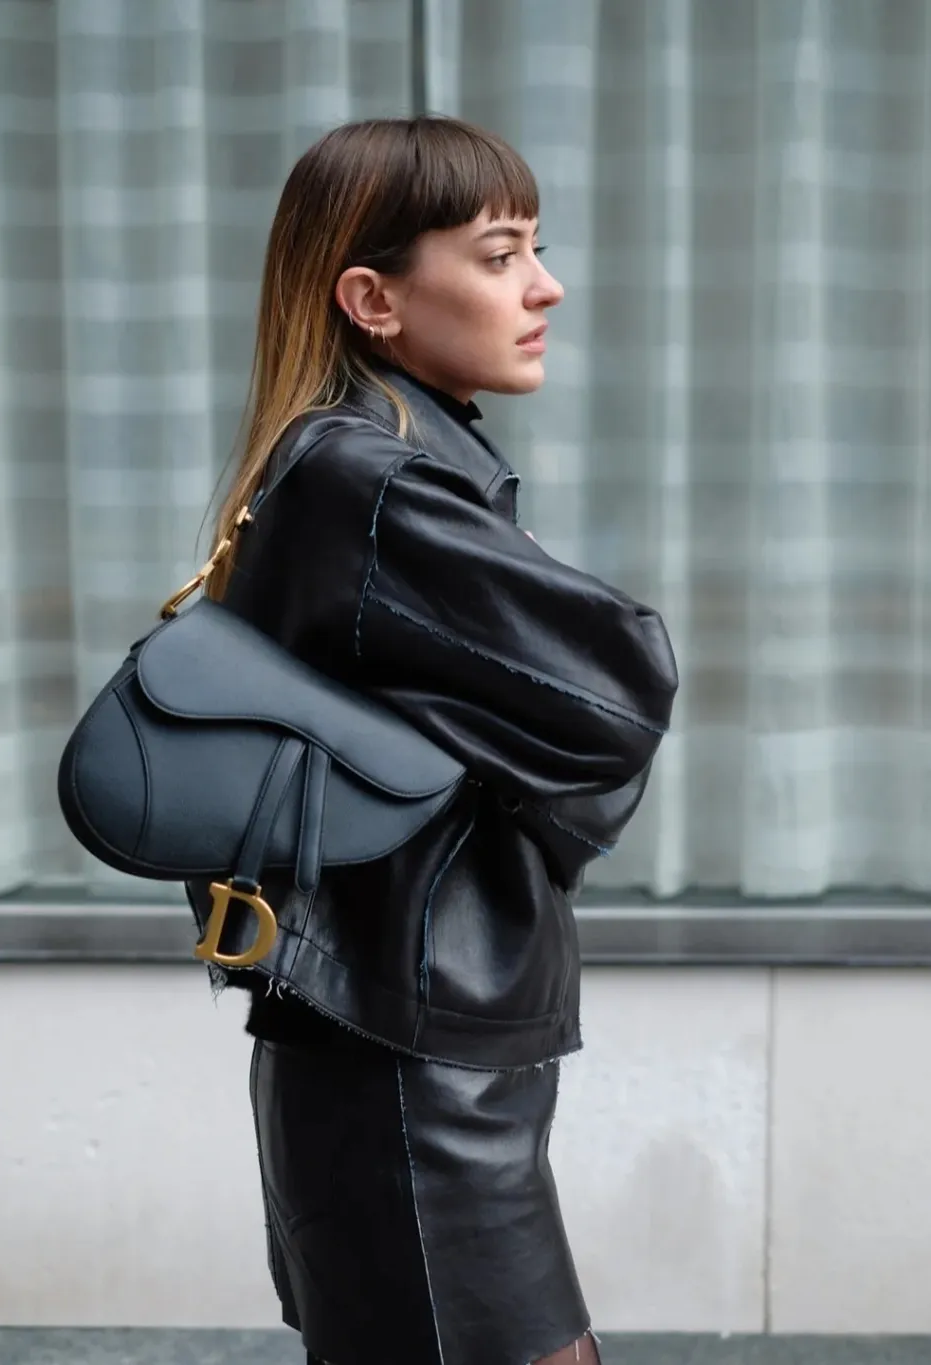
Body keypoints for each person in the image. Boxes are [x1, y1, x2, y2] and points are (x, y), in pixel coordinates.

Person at [188, 115, 678, 1365]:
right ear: (373, 299)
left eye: (534, 250)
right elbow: (622, 687)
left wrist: (458, 732)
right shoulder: (374, 482)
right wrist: (504, 747)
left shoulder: (377, 463)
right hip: (408, 1058)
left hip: (403, 1030)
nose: (544, 286)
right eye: (500, 255)